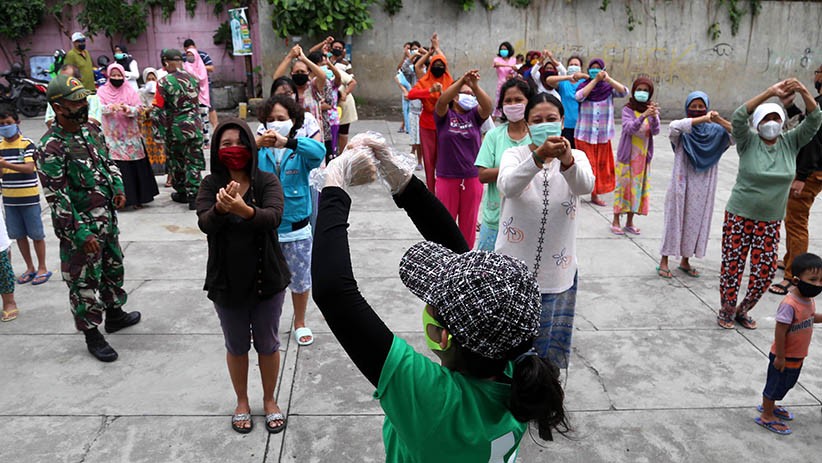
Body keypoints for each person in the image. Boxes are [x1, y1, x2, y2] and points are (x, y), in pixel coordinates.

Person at [311, 135, 569, 461]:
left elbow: (333, 293)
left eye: (431, 300)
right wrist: (399, 177)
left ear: (442, 336)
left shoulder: (438, 403)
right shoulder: (514, 369)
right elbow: (468, 268)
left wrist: (334, 184)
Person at [195, 118, 290, 435]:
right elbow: (205, 223)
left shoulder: (266, 181)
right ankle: (241, 401)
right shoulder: (211, 185)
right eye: (225, 144)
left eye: (238, 142)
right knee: (236, 345)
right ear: (216, 150)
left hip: (268, 280)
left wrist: (242, 208)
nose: (233, 149)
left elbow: (273, 217)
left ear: (250, 146)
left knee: (267, 344)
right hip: (227, 282)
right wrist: (222, 209)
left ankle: (269, 400)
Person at [38, 74, 140, 362]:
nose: (84, 105)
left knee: (112, 268)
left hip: (106, 219)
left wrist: (118, 186)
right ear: (58, 108)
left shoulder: (90, 131)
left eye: (84, 99)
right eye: (77, 101)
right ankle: (91, 333)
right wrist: (80, 233)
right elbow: (57, 198)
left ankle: (115, 314)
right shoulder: (50, 146)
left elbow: (108, 161)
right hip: (81, 230)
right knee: (83, 282)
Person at [496, 92, 595, 369]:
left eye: (551, 119)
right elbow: (508, 186)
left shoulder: (577, 157)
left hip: (557, 273)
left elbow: (585, 186)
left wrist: (566, 161)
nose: (545, 124)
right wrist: (537, 158)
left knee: (546, 352)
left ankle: (542, 395)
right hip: (513, 271)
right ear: (527, 126)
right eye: (537, 120)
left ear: (562, 122)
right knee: (510, 345)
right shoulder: (513, 155)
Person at [718, 78, 822, 329]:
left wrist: (803, 91)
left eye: (776, 118)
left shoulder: (790, 142)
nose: (772, 124)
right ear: (757, 124)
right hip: (739, 215)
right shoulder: (747, 141)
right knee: (733, 268)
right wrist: (769, 93)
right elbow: (739, 116)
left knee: (763, 274)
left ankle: (743, 309)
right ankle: (727, 310)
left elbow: (815, 119)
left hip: (771, 220)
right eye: (765, 119)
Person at [256, 95, 325, 346]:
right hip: (265, 231)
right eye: (271, 120)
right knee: (264, 282)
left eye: (281, 119)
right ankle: (267, 323)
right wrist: (256, 143)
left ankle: (300, 322)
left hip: (296, 231)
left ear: (293, 121)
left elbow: (320, 152)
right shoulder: (259, 151)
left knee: (300, 280)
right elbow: (234, 156)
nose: (275, 123)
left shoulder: (299, 150)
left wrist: (288, 142)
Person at [658, 91, 733, 279]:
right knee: (674, 218)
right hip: (681, 180)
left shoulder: (716, 132)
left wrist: (719, 121)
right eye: (694, 106)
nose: (697, 109)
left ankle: (685, 260)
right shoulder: (684, 130)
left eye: (701, 106)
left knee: (695, 222)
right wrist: (702, 119)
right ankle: (664, 260)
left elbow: (738, 135)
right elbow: (674, 127)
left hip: (704, 185)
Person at [755, 253, 822, 435]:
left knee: (786, 384)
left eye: (821, 280)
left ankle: (770, 406)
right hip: (784, 355)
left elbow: (808, 317)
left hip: (798, 354)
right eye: (813, 279)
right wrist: (780, 356)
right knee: (775, 384)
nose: (818, 285)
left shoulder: (808, 300)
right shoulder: (789, 304)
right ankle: (767, 415)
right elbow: (781, 330)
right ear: (796, 280)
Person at [770, 66, 822, 295]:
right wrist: (789, 103)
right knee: (792, 218)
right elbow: (802, 124)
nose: (815, 75)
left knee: (796, 221)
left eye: (819, 71)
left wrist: (801, 177)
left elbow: (813, 141)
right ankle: (791, 259)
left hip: (810, 173)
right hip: (810, 171)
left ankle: (794, 275)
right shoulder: (819, 101)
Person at [433, 70, 492, 249]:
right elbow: (442, 101)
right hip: (446, 178)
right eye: (465, 94)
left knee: (469, 224)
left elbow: (488, 107)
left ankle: (465, 260)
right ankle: (446, 261)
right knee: (445, 224)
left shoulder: (475, 116)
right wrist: (460, 82)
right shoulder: (444, 116)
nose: (470, 97)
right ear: (455, 96)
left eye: (472, 95)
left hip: (472, 178)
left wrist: (474, 85)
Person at [475, 78, 534, 252]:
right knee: (487, 275)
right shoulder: (494, 136)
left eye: (518, 100)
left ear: (529, 102)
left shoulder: (536, 137)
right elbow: (482, 175)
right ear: (502, 105)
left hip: (528, 218)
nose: (513, 104)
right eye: (508, 101)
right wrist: (518, 171)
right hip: (495, 219)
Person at [0, 105, 50, 286]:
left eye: (8, 123)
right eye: (2, 124)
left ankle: (42, 266)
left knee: (36, 234)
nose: (5, 127)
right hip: (10, 199)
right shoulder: (0, 146)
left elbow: (30, 168)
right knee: (19, 235)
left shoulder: (27, 144)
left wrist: (6, 164)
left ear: (17, 123)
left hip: (28, 197)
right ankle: (30, 267)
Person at [98, 64, 159, 209]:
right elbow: (97, 107)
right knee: (118, 168)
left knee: (135, 167)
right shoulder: (101, 91)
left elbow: (139, 109)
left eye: (119, 76)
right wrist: (109, 108)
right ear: (108, 76)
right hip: (112, 137)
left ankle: (139, 198)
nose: (117, 78)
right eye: (113, 76)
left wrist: (128, 109)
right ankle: (120, 199)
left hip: (130, 135)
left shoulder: (131, 91)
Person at [152, 48, 203, 210]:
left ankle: (182, 192)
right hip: (195, 126)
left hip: (176, 129)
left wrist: (157, 133)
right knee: (194, 161)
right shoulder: (194, 79)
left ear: (166, 63)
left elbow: (157, 110)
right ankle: (195, 195)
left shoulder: (163, 82)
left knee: (178, 162)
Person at [574, 58, 629, 206]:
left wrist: (608, 79)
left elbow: (624, 92)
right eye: (592, 68)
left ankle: (595, 194)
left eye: (598, 68)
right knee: (586, 165)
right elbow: (579, 96)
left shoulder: (608, 89)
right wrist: (594, 81)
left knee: (600, 166)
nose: (595, 71)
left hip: (602, 135)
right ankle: (577, 192)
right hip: (584, 134)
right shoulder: (584, 86)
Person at [611, 77, 660, 235]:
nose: (642, 93)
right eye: (639, 89)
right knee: (622, 188)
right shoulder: (628, 109)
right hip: (627, 157)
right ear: (634, 90)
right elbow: (629, 129)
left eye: (646, 90)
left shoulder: (650, 109)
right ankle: (616, 220)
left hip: (642, 158)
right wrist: (643, 115)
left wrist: (654, 116)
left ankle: (630, 222)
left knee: (635, 190)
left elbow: (656, 131)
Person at [408, 33, 453, 193]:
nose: (439, 67)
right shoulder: (425, 80)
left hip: (445, 124)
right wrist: (429, 91)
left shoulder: (448, 80)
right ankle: (432, 191)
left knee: (444, 158)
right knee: (429, 160)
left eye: (442, 65)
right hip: (427, 123)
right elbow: (411, 95)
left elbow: (443, 60)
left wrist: (437, 47)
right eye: (436, 64)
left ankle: (443, 188)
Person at [273, 45, 329, 148]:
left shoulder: (313, 87)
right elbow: (276, 79)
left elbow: (322, 76)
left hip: (313, 134)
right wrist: (290, 56)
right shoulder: (288, 90)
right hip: (292, 134)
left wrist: (304, 59)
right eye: (297, 72)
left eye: (302, 72)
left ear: (308, 73)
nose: (300, 74)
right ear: (291, 73)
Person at [262, 77, 323, 142]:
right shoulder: (265, 124)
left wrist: (290, 144)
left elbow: (317, 148)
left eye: (288, 94)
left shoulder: (307, 118)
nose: (284, 98)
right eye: (279, 95)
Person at [545, 55, 587, 148]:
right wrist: (567, 77)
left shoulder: (585, 82)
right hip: (565, 124)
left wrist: (583, 75)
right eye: (571, 64)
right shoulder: (563, 82)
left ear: (580, 67)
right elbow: (549, 80)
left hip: (581, 125)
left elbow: (596, 81)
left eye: (576, 64)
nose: (573, 66)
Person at [183, 39, 218, 129]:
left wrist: (198, 67)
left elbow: (211, 67)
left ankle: (215, 127)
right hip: (190, 88)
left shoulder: (202, 55)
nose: (190, 55)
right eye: (188, 51)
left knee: (210, 107)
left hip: (204, 87)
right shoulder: (184, 58)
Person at [138, 67, 166, 177]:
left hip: (159, 122)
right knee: (150, 147)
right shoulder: (141, 92)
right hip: (148, 124)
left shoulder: (161, 90)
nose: (151, 81)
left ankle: (164, 170)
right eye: (148, 78)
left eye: (153, 78)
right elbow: (140, 108)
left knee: (161, 146)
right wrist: (148, 110)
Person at [183, 46, 211, 147]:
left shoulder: (201, 66)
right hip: (190, 97)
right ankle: (196, 141)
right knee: (194, 120)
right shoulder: (185, 66)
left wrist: (192, 74)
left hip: (202, 97)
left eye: (192, 55)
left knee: (204, 120)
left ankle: (206, 141)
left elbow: (201, 78)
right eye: (188, 55)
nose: (189, 57)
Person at [492, 41, 517, 118]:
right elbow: (496, 65)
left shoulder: (513, 60)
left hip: (511, 83)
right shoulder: (497, 59)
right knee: (498, 103)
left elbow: (516, 70)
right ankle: (492, 122)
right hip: (501, 84)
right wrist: (510, 66)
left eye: (505, 49)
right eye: (501, 49)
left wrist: (513, 73)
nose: (503, 51)